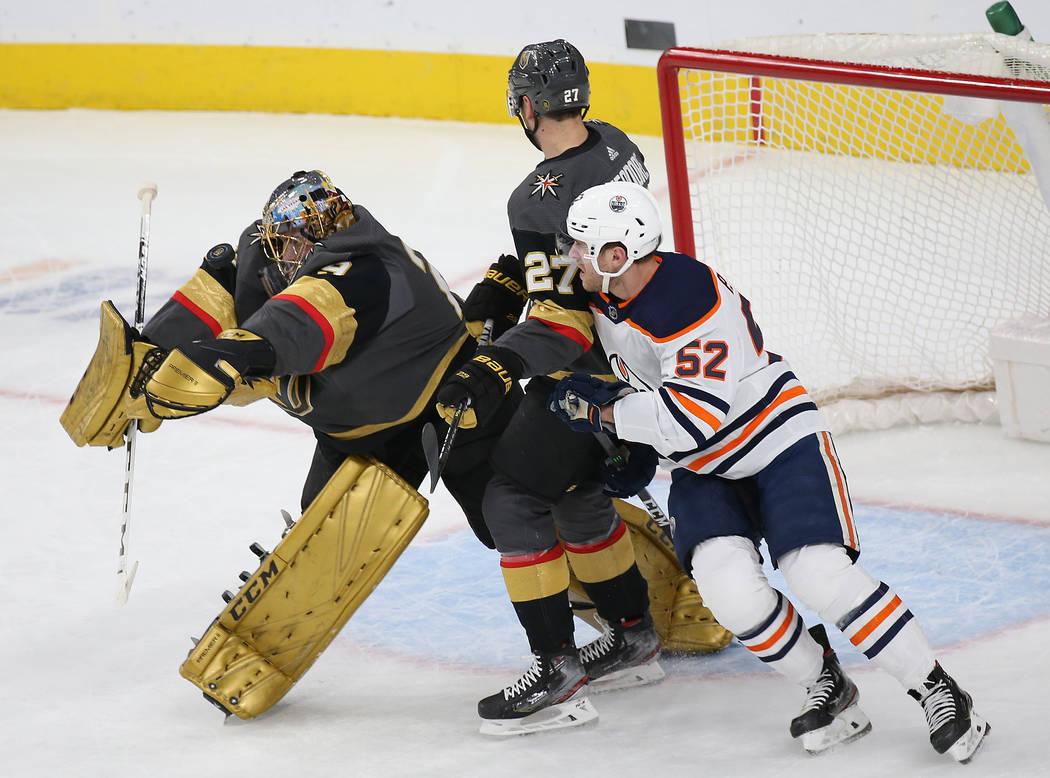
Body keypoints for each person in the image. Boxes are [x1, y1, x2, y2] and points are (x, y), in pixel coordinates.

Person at [548, 180, 990, 762]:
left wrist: (605, 412)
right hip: (705, 470)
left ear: (618, 256)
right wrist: (503, 295)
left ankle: (939, 689)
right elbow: (545, 288)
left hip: (776, 442)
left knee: (817, 575)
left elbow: (691, 422)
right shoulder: (601, 282)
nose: (571, 257)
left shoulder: (688, 301)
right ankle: (823, 680)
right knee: (729, 593)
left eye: (583, 248)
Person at [60, 169, 519, 717]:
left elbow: (290, 329)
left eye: (304, 244)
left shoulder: (361, 273)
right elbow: (221, 299)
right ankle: (253, 657)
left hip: (449, 400)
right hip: (354, 428)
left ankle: (622, 602)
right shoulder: (264, 251)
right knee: (319, 548)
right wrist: (140, 363)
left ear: (329, 234)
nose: (290, 255)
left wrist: (229, 358)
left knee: (513, 516)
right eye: (285, 244)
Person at [434, 40, 729, 736]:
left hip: (595, 375)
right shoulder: (618, 145)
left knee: (513, 496)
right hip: (655, 351)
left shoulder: (534, 196)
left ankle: (557, 672)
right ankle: (632, 636)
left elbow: (566, 311)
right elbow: (581, 257)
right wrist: (507, 283)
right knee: (577, 492)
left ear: (527, 106)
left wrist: (500, 358)